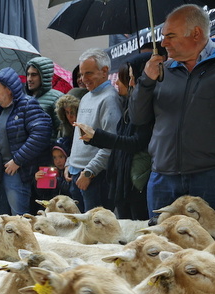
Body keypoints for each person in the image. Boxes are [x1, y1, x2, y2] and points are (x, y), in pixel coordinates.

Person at [130, 4, 215, 217]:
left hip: (209, 177)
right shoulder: (160, 71)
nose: (163, 43)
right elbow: (137, 118)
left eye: (170, 36)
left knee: (207, 248)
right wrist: (147, 81)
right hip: (162, 178)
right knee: (160, 248)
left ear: (196, 34)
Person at [76, 54, 152, 220]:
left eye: (126, 78)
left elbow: (133, 143)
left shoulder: (116, 101)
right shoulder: (126, 104)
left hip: (132, 182)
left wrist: (96, 137)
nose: (116, 83)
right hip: (121, 181)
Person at [0, 67, 52, 215]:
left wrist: (17, 160)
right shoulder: (1, 109)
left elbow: (41, 133)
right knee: (4, 217)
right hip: (3, 171)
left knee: (19, 219)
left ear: (9, 90)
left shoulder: (27, 104)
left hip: (19, 172)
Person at [68, 48, 121, 211]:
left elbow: (111, 143)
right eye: (82, 74)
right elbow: (79, 135)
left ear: (105, 71)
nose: (84, 79)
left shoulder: (110, 99)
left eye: (88, 73)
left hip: (95, 178)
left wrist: (90, 171)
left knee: (95, 233)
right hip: (78, 174)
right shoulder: (86, 96)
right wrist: (70, 163)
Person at [25, 57, 64, 142]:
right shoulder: (26, 98)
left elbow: (62, 131)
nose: (29, 79)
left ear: (44, 76)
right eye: (28, 74)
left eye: (34, 75)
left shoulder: (57, 98)